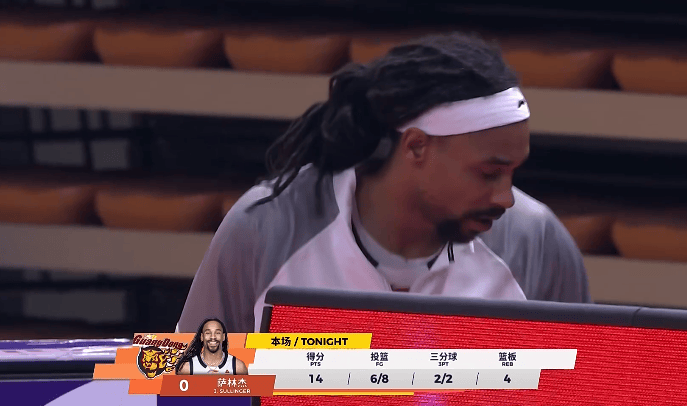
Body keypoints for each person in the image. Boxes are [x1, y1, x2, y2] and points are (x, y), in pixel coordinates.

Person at [177, 32, 591, 334]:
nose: (505, 198)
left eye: (513, 172)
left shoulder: (538, 241)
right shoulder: (263, 227)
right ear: (416, 147)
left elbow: (585, 388)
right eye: (488, 173)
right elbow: (181, 385)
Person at [176, 318, 248, 375]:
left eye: (217, 333)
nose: (213, 337)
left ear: (223, 337)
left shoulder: (238, 367)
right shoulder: (187, 368)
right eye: (208, 333)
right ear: (202, 337)